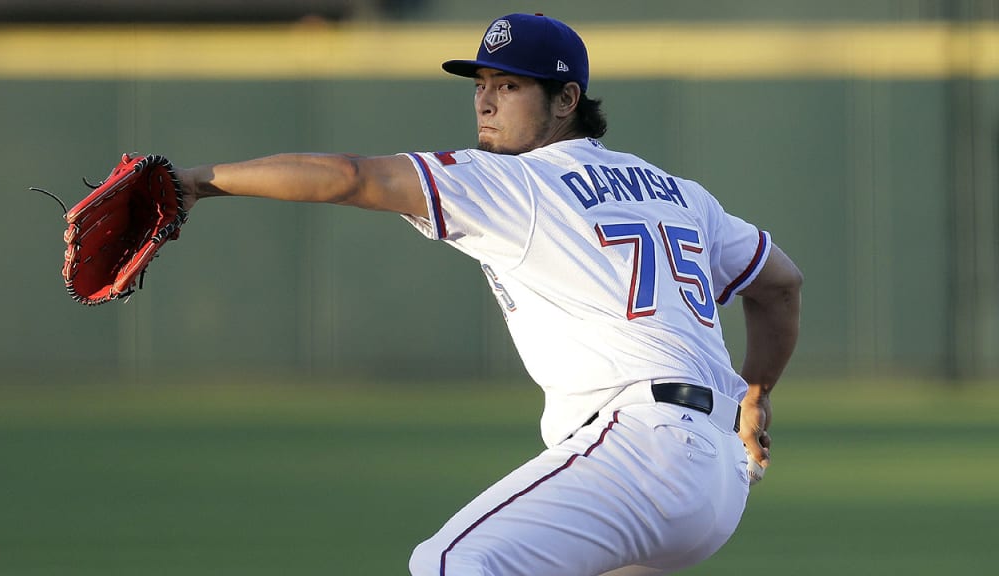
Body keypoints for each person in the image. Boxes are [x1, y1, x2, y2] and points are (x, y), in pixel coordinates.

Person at [175, 13, 802, 576]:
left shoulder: (518, 181)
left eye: (509, 86)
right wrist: (756, 391)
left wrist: (199, 182)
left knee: (451, 562)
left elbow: (349, 177)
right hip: (719, 478)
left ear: (566, 99)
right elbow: (780, 286)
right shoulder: (677, 191)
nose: (485, 102)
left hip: (643, 450)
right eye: (480, 84)